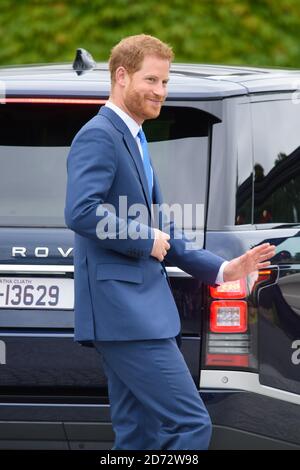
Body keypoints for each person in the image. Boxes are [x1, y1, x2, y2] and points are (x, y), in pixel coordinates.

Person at [65, 34, 275, 450]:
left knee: (138, 436)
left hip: (134, 316)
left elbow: (161, 227)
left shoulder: (135, 138)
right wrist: (145, 240)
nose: (161, 91)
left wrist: (220, 269)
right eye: (152, 80)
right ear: (121, 77)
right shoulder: (101, 135)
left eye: (165, 82)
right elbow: (82, 212)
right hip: (126, 317)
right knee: (191, 426)